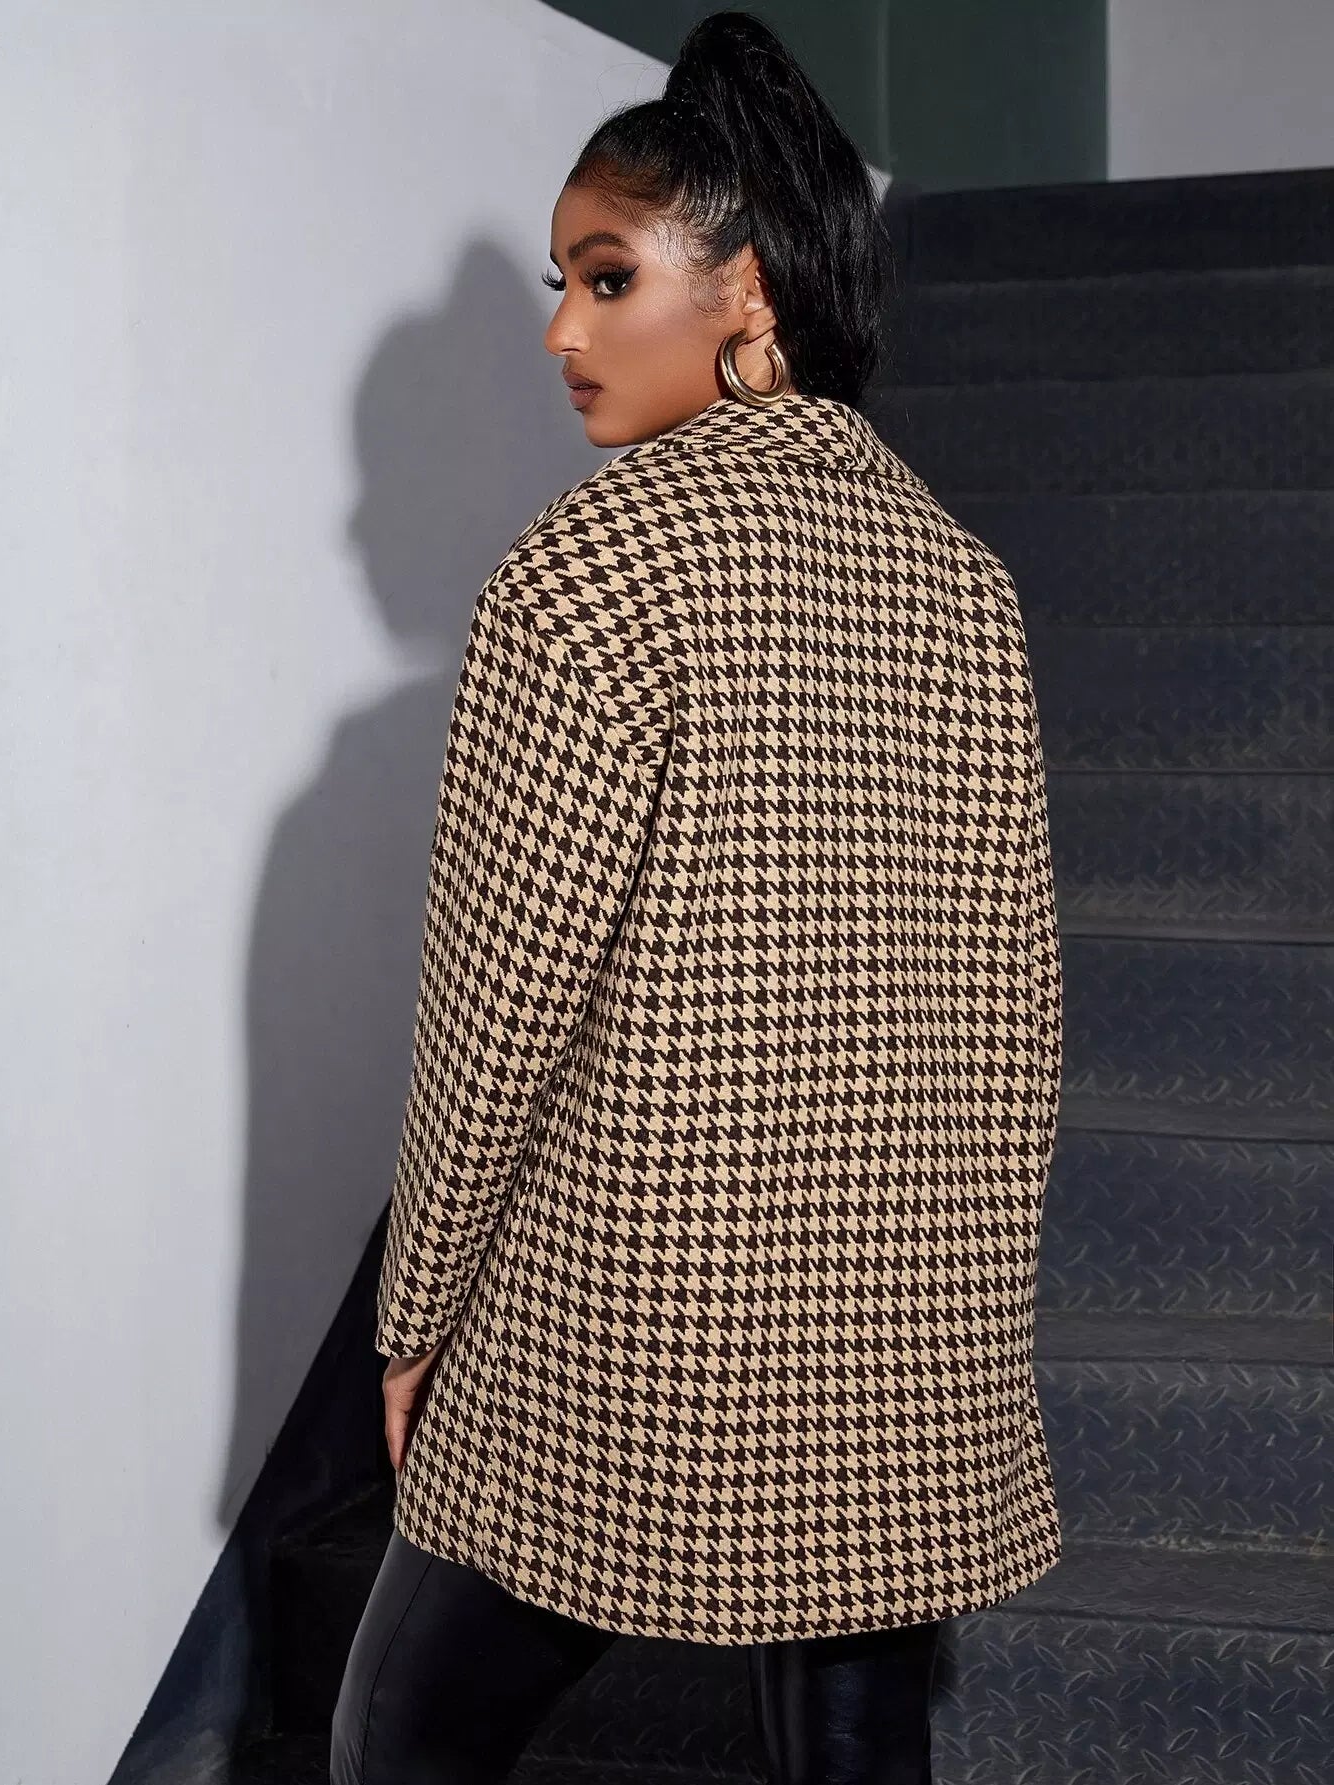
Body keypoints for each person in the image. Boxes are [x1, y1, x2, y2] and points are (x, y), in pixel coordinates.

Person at [330, 10, 1063, 1784]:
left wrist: (416, 1318)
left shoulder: (589, 568)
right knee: (853, 1749)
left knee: (399, 1737)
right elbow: (1015, 1005)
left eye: (608, 277)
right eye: (562, 286)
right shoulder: (960, 580)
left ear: (748, 292)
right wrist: (965, 1303)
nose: (564, 330)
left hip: (628, 1304)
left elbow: (497, 1009)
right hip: (893, 1322)